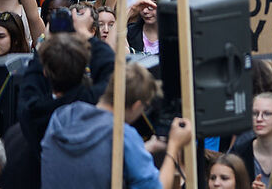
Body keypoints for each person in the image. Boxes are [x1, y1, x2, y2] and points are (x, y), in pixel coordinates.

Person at [42, 61, 191, 189]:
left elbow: (93, 159)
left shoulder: (62, 117)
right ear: (136, 105)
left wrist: (145, 148)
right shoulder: (122, 135)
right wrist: (173, 146)